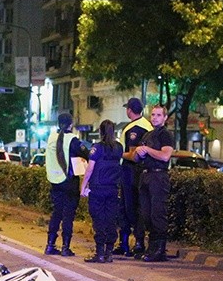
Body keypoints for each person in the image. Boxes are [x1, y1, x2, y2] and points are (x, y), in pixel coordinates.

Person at [133, 105, 174, 262]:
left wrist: (147, 150)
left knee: (158, 213)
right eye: (153, 114)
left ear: (165, 118)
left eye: (158, 115)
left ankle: (159, 249)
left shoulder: (165, 135)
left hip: (158, 176)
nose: (155, 117)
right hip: (145, 176)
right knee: (146, 214)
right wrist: (138, 152)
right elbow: (138, 157)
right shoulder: (148, 135)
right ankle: (151, 247)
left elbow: (165, 156)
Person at [44, 112, 88, 256]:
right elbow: (87, 153)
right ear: (71, 124)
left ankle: (50, 244)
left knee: (56, 213)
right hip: (69, 182)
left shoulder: (51, 138)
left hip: (54, 182)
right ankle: (65, 247)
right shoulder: (72, 140)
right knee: (68, 215)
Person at [113, 97, 153, 258]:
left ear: (129, 110)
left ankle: (131, 243)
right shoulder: (148, 125)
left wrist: (118, 153)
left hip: (131, 172)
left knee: (128, 207)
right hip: (143, 172)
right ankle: (131, 242)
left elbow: (134, 155)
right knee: (137, 207)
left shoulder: (134, 129)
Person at [80, 120, 124, 263]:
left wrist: (83, 186)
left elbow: (90, 169)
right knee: (111, 220)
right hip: (112, 189)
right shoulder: (119, 148)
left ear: (101, 131)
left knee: (99, 220)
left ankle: (99, 253)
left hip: (98, 189)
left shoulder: (97, 148)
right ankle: (109, 253)